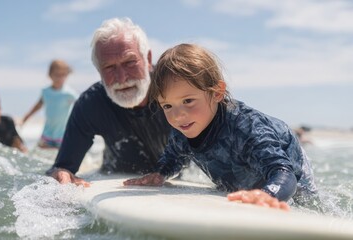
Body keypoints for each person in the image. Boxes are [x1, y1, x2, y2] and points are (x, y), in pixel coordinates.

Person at [124, 43, 320, 211]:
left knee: (307, 206)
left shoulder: (247, 129)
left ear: (217, 92)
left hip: (290, 169)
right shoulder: (182, 131)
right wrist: (160, 174)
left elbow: (283, 172)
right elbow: (173, 158)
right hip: (245, 179)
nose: (177, 115)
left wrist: (269, 195)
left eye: (188, 100)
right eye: (167, 106)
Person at [47, 17, 171, 185]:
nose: (122, 78)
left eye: (129, 62)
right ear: (98, 71)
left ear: (148, 59)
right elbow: (61, 167)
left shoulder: (176, 89)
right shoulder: (91, 104)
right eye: (109, 67)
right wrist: (61, 175)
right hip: (115, 175)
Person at [22, 59, 77, 148]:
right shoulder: (46, 92)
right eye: (57, 75)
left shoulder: (69, 93)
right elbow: (38, 105)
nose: (60, 78)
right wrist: (25, 118)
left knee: (60, 157)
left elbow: (80, 106)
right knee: (39, 155)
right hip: (47, 133)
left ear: (67, 75)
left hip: (62, 134)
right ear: (50, 75)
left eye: (63, 75)